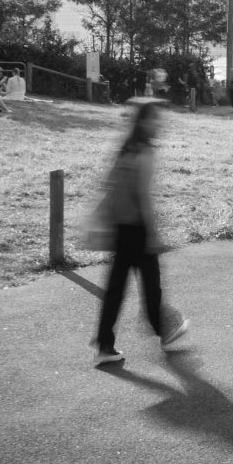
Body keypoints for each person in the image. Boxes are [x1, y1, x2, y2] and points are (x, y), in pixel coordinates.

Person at [92, 100, 190, 366]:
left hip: (121, 226)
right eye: (156, 118)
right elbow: (144, 196)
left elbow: (108, 182)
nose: (160, 123)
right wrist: (153, 234)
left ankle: (104, 343)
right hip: (138, 227)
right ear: (145, 122)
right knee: (151, 284)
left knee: (116, 288)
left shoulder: (126, 147)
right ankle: (163, 329)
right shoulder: (145, 151)